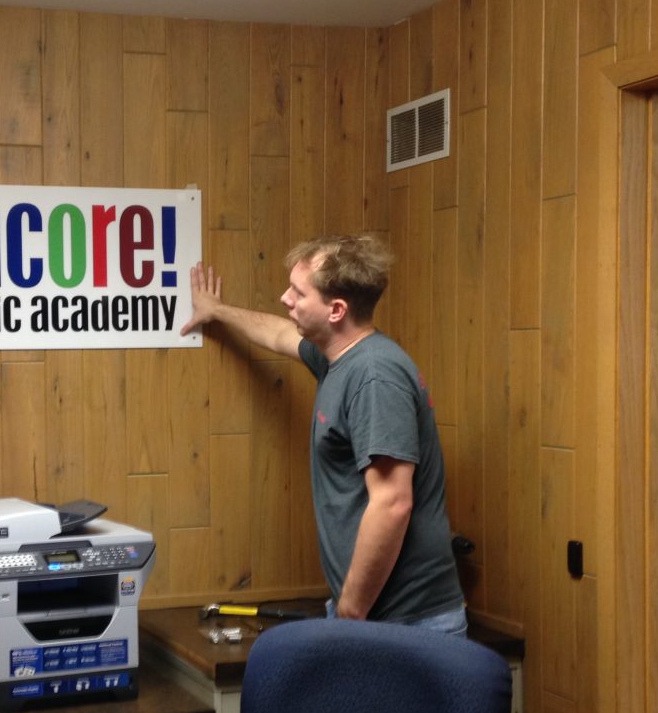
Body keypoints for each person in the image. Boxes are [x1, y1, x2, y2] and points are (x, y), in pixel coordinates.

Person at [179, 235, 466, 635]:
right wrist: (218, 311)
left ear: (336, 310)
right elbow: (279, 334)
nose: (285, 298)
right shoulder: (338, 359)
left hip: (405, 622)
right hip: (373, 616)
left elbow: (392, 502)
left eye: (298, 293)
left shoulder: (374, 376)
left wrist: (350, 611)